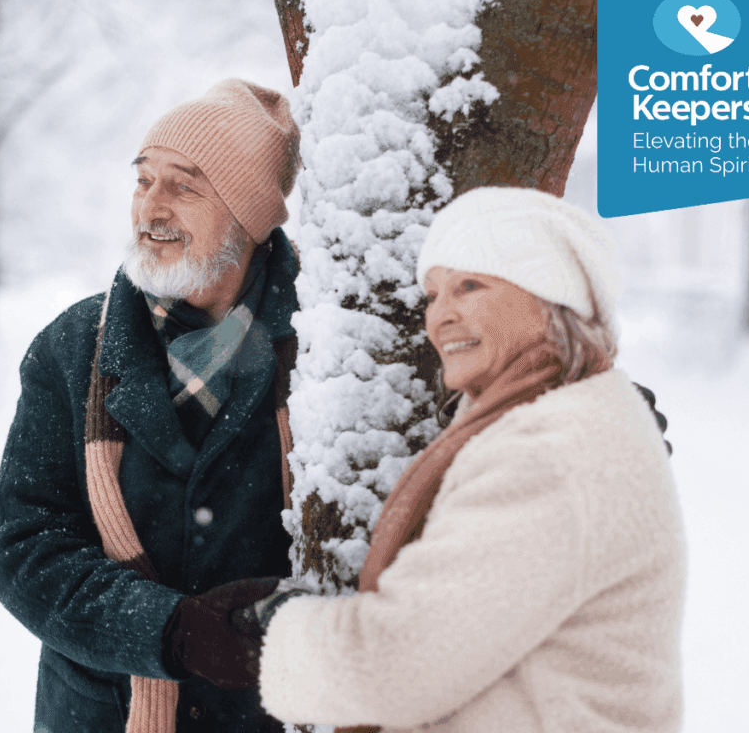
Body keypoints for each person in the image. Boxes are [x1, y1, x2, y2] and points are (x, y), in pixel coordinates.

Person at [216, 187, 687, 732]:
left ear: (548, 299)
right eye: (433, 294)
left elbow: (393, 669)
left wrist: (263, 636)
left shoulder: (547, 453)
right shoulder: (566, 416)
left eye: (470, 285)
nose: (440, 316)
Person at [0, 79, 304, 733]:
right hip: (99, 715)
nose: (151, 208)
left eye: (183, 186)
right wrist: (172, 631)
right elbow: (26, 549)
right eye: (144, 181)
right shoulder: (73, 348)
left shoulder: (321, 351)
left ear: (248, 218)